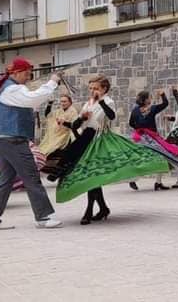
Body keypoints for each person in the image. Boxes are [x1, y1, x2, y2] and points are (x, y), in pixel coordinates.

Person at [53, 75, 169, 225]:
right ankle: (102, 208)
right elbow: (76, 125)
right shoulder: (88, 104)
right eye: (91, 88)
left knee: (93, 176)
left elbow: (111, 115)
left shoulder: (108, 101)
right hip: (88, 140)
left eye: (96, 88)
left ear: (104, 89)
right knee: (92, 176)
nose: (92, 91)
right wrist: (81, 118)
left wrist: (100, 101)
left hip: (102, 140)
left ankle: (91, 211)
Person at [0, 57, 64, 230]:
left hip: (3, 140)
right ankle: (43, 217)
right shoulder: (12, 89)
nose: (29, 76)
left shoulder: (5, 88)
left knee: (5, 181)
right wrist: (52, 82)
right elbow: (33, 99)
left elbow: (29, 103)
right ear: (17, 72)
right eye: (28, 73)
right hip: (12, 141)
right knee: (31, 177)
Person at [128, 90, 178, 191]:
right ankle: (158, 182)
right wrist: (162, 94)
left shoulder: (135, 110)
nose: (151, 99)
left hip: (140, 137)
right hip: (151, 138)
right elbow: (165, 104)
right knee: (161, 155)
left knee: (140, 157)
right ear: (146, 100)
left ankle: (135, 179)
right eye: (149, 97)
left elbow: (131, 123)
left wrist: (140, 128)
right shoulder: (152, 108)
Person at [38, 94, 79, 175]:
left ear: (70, 102)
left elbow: (75, 125)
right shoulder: (59, 111)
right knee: (43, 150)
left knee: (53, 150)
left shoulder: (73, 112)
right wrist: (49, 104)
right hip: (56, 135)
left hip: (66, 135)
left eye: (65, 101)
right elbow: (48, 115)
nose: (63, 103)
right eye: (61, 101)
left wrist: (64, 123)